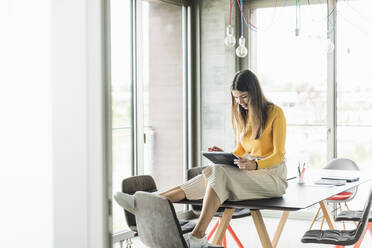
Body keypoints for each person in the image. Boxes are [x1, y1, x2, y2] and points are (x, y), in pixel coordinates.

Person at [160, 69, 287, 248]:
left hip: (272, 177)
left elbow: (279, 154)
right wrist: (226, 154)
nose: (239, 102)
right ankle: (151, 200)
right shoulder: (243, 116)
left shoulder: (275, 113)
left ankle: (197, 235)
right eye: (235, 98)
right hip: (251, 173)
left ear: (255, 92)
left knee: (216, 172)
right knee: (212, 172)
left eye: (243, 96)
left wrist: (255, 164)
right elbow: (242, 149)